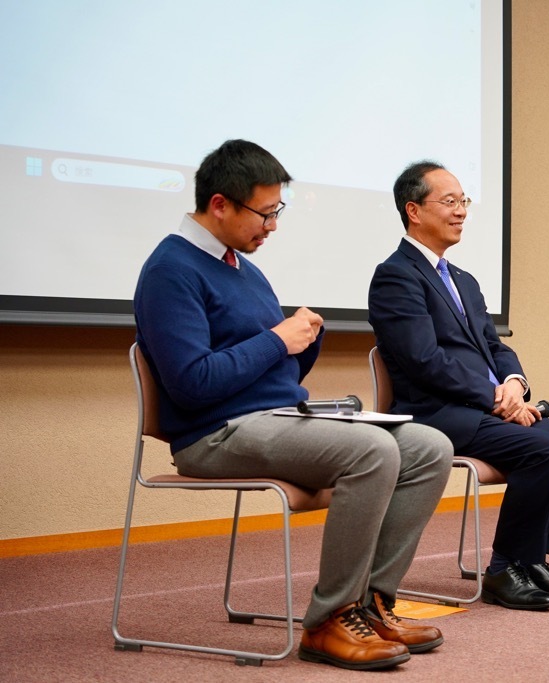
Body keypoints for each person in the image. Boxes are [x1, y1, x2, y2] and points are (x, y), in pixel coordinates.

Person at [133, 140, 454, 671]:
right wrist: (279, 339)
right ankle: (330, 620)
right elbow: (193, 384)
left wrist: (303, 342)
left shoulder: (243, 267)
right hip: (213, 434)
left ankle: (373, 604)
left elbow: (271, 371)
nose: (272, 226)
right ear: (220, 205)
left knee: (429, 446)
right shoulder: (171, 269)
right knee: (372, 452)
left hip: (272, 418)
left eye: (275, 212)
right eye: (264, 213)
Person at [367, 161, 549, 610]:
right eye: (449, 201)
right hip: (439, 413)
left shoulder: (464, 280)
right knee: (546, 450)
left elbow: (494, 347)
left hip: (489, 407)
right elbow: (424, 361)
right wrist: (495, 400)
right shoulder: (396, 276)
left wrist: (514, 384)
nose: (461, 211)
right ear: (414, 211)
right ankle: (505, 570)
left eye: (464, 201)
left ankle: (532, 559)